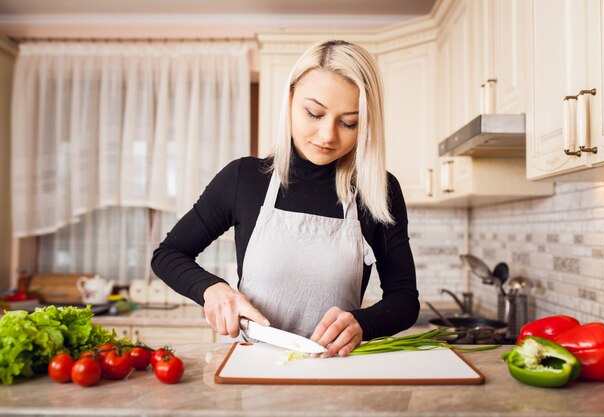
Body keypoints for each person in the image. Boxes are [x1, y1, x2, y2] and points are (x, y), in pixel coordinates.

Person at [151, 39, 420, 358]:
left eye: (349, 122)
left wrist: (363, 323)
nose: (327, 135)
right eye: (314, 113)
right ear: (290, 100)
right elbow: (168, 254)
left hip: (334, 377)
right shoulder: (244, 179)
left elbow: (404, 300)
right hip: (251, 369)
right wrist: (214, 290)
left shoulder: (378, 191)